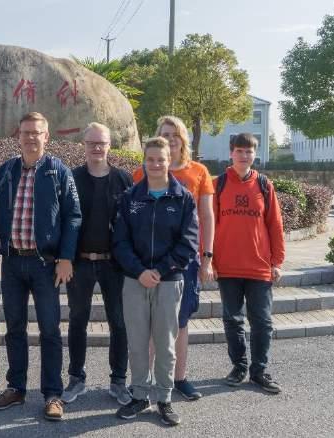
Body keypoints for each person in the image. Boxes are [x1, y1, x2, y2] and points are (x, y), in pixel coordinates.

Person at [0, 112, 81, 421]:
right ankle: (16, 388)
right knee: (14, 328)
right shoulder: (7, 171)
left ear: (46, 136)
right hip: (11, 263)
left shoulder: (58, 171)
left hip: (45, 265)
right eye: (25, 132)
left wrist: (66, 257)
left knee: (50, 330)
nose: (30, 137)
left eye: (36, 132)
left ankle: (52, 394)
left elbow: (73, 216)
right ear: (19, 136)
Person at [113, 137, 198, 426]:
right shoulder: (130, 197)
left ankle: (163, 398)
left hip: (169, 281)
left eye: (160, 159)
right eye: (150, 159)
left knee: (165, 343)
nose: (155, 164)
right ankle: (139, 395)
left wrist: (159, 271)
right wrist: (139, 271)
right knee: (137, 342)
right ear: (144, 161)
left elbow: (188, 244)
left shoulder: (183, 198)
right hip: (135, 280)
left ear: (168, 160)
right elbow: (120, 242)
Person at [131, 116, 215, 400]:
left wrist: (207, 258)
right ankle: (148, 380)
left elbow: (206, 216)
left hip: (182, 261)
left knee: (179, 322)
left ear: (183, 139)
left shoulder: (198, 172)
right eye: (164, 134)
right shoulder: (141, 173)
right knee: (149, 322)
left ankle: (179, 377)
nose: (170, 138)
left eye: (175, 134)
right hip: (147, 262)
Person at [61, 123, 132, 406]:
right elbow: (63, 219)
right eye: (92, 143)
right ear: (84, 145)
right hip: (79, 263)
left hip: (114, 265)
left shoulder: (123, 180)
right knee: (77, 321)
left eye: (101, 143)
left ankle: (118, 381)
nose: (97, 148)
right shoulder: (72, 178)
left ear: (109, 146)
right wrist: (63, 258)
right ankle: (76, 379)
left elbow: (131, 223)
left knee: (119, 322)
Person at [212, 133, 285, 394]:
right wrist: (208, 259)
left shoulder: (265, 185)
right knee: (232, 320)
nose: (245, 155)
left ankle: (259, 371)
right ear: (231, 153)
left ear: (255, 154)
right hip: (228, 266)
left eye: (249, 151)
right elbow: (208, 226)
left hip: (259, 266)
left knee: (262, 321)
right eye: (240, 151)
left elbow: (275, 225)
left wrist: (277, 261)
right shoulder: (218, 184)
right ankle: (239, 366)